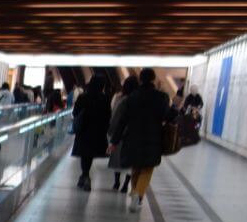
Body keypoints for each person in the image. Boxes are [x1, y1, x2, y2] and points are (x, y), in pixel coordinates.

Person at [109, 67, 177, 213]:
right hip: (153, 138)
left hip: (132, 137)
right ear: (153, 80)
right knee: (147, 169)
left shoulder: (132, 97)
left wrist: (114, 141)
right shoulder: (161, 97)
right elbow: (169, 116)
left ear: (140, 79)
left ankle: (135, 192)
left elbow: (122, 121)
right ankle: (138, 195)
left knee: (136, 167)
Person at [70, 74, 111, 191]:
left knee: (85, 154)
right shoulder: (105, 99)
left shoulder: (83, 97)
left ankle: (85, 175)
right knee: (90, 154)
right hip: (98, 132)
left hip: (84, 130)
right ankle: (84, 175)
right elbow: (108, 116)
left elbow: (75, 112)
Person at [109, 75, 139, 191]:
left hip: (120, 134)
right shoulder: (138, 99)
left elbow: (115, 116)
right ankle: (126, 184)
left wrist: (111, 132)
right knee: (130, 161)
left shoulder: (121, 99)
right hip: (134, 134)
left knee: (117, 158)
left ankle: (116, 182)